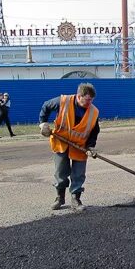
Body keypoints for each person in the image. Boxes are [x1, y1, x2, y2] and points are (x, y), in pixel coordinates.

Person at [39, 83, 100, 211]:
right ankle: (59, 198)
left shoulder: (94, 111)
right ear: (79, 96)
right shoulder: (63, 101)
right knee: (60, 172)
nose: (90, 103)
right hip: (61, 143)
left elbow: (94, 131)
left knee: (78, 174)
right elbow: (46, 106)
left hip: (80, 146)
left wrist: (90, 147)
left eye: (91, 100)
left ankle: (76, 199)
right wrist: (43, 123)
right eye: (87, 99)